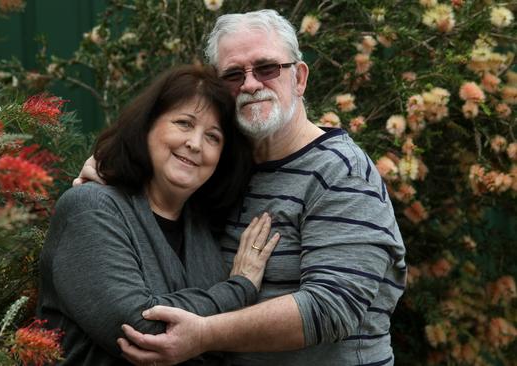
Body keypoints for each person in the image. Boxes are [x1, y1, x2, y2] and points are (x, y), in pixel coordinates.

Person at [77, 9, 407, 366]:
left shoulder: (340, 172)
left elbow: (332, 308)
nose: (250, 85)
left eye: (266, 68)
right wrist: (112, 173)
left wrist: (204, 334)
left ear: (299, 78)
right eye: (233, 75)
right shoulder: (220, 169)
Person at [37, 65, 281, 365]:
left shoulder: (203, 228)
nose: (195, 143)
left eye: (213, 137)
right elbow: (142, 329)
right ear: (147, 125)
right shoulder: (90, 207)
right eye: (183, 123)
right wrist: (239, 288)